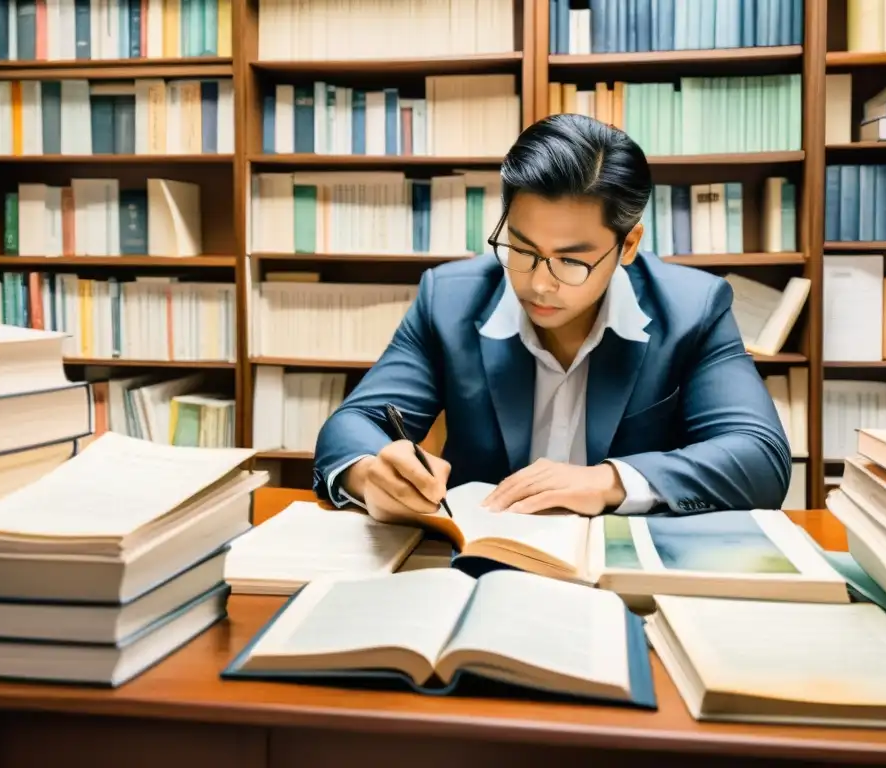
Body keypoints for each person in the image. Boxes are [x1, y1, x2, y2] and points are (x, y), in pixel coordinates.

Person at [312, 113, 791, 524]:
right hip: (485, 565)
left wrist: (609, 482)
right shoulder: (450, 299)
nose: (540, 283)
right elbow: (353, 424)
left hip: (622, 576)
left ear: (628, 245)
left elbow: (760, 457)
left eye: (571, 261)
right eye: (521, 248)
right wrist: (370, 472)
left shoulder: (694, 309)